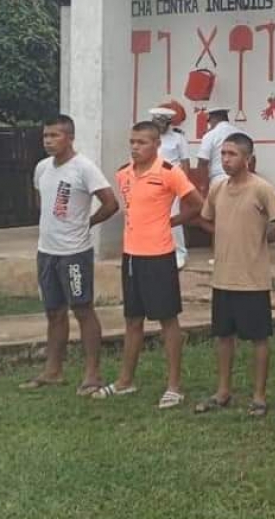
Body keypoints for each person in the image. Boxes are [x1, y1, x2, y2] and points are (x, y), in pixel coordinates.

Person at [93, 122, 203, 409]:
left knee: (167, 319)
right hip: (131, 255)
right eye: (132, 141)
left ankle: (174, 386)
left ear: (156, 144)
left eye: (141, 142)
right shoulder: (124, 173)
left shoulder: (168, 172)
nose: (135, 147)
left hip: (159, 255)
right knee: (133, 319)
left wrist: (171, 222)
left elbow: (197, 204)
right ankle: (125, 381)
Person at [195, 133, 275, 417]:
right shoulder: (217, 188)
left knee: (258, 338)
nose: (226, 159)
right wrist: (225, 234)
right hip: (222, 277)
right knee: (223, 336)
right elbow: (205, 218)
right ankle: (223, 391)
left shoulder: (261, 188)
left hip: (252, 279)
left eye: (232, 154)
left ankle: (259, 396)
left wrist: (261, 239)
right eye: (223, 154)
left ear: (248, 159)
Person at [20, 115, 119, 396]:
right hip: (46, 251)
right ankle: (53, 370)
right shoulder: (42, 168)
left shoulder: (84, 168)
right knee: (53, 311)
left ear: (70, 137)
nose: (49, 141)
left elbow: (110, 203)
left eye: (55, 135)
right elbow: (43, 201)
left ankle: (92, 374)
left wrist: (87, 223)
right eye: (45, 136)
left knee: (82, 309)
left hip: (74, 253)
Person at [149, 103, 191, 269]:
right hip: (152, 182)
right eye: (155, 122)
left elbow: (185, 162)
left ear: (168, 122)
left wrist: (183, 185)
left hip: (172, 182)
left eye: (161, 123)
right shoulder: (150, 138)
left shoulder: (178, 138)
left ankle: (179, 252)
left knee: (173, 217)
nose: (158, 126)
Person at [194, 106, 240, 194]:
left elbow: (202, 162)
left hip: (219, 180)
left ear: (214, 118)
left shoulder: (210, 135)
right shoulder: (242, 133)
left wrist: (203, 187)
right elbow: (252, 160)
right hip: (241, 180)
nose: (209, 124)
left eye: (209, 121)